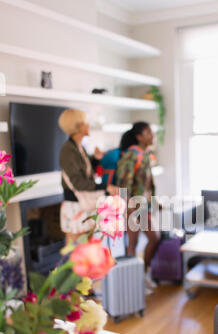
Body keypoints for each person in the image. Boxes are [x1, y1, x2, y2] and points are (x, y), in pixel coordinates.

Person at [58, 109, 118, 244]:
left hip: (82, 205)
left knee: (86, 249)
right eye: (86, 122)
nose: (88, 125)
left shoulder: (79, 147)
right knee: (74, 252)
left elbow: (84, 171)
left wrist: (95, 159)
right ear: (79, 126)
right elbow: (78, 182)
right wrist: (105, 187)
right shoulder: (68, 150)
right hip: (74, 206)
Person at [116, 122, 160, 295]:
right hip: (133, 207)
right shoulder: (132, 155)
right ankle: (133, 283)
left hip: (143, 205)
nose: (152, 135)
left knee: (153, 238)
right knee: (132, 245)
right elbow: (123, 183)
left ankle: (143, 274)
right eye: (148, 132)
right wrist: (129, 208)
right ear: (139, 137)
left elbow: (147, 184)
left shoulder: (145, 154)